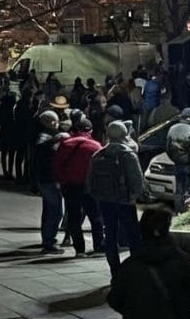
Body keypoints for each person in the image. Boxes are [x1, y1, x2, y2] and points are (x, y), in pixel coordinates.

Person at [88, 121, 144, 277]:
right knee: (132, 235)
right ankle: (136, 270)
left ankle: (115, 270)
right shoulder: (127, 154)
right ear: (125, 134)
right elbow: (137, 182)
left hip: (105, 201)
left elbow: (90, 181)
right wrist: (135, 196)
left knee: (110, 235)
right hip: (125, 201)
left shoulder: (98, 154)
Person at [52, 116, 104, 257]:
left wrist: (63, 181)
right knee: (96, 217)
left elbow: (57, 165)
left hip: (71, 186)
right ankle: (99, 246)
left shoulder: (66, 144)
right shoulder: (96, 146)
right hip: (90, 188)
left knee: (74, 218)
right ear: (90, 130)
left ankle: (79, 250)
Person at [33, 111, 66, 255]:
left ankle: (47, 239)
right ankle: (48, 242)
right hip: (48, 179)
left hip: (47, 178)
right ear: (52, 122)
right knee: (54, 211)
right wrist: (56, 139)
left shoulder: (48, 134)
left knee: (50, 210)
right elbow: (40, 147)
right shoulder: (45, 136)